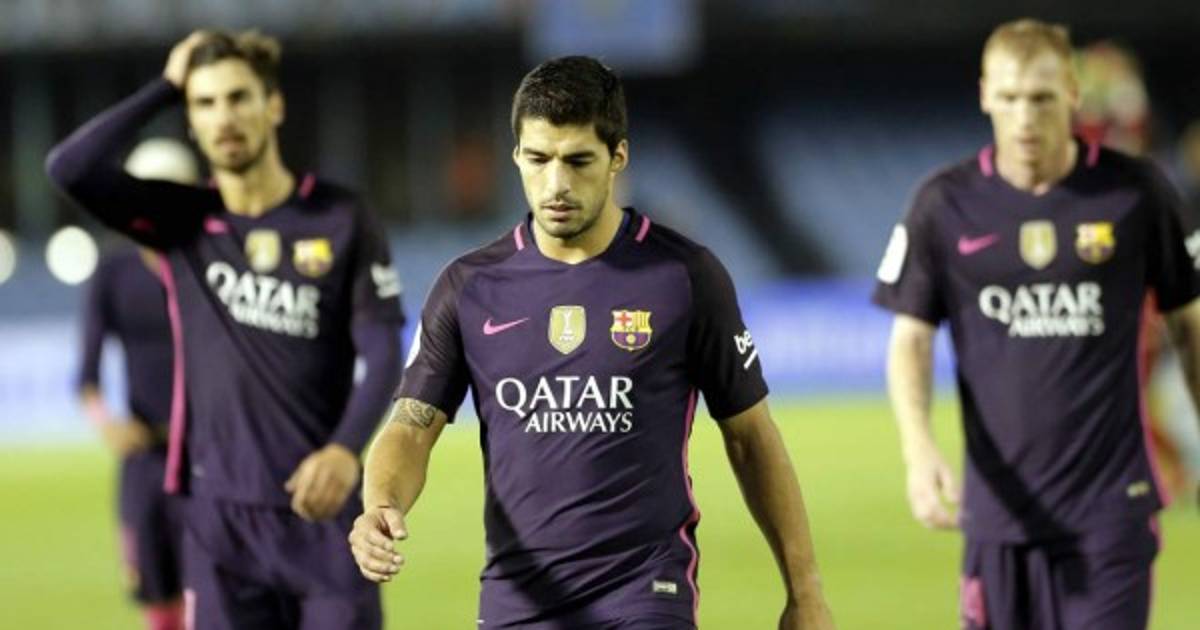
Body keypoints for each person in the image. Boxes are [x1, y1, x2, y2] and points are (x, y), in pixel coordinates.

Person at [347, 56, 834, 630]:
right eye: (538, 159)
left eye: (578, 161)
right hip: (518, 601)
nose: (556, 184)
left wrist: (804, 592)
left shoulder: (684, 277)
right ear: (516, 157)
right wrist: (380, 504)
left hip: (646, 591)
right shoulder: (468, 288)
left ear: (617, 157)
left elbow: (751, 437)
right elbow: (410, 425)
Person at [47, 30, 404, 630]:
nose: (224, 117)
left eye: (239, 97)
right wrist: (166, 86)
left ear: (274, 105)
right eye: (205, 103)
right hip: (220, 528)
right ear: (190, 121)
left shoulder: (341, 217)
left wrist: (346, 450)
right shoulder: (182, 219)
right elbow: (69, 168)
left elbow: (382, 347)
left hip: (324, 514)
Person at [873, 18, 1200, 630]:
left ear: (1073, 93)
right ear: (984, 95)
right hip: (998, 517)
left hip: (1112, 513)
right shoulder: (943, 204)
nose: (1025, 117)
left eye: (1043, 98)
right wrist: (918, 451)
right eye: (1010, 97)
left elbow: (1189, 324)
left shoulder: (1136, 194)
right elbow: (910, 339)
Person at [78, 137, 198, 630]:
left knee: (210, 596)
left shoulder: (211, 263)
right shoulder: (114, 270)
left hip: (210, 457)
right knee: (157, 598)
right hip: (145, 463)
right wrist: (107, 424)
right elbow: (86, 375)